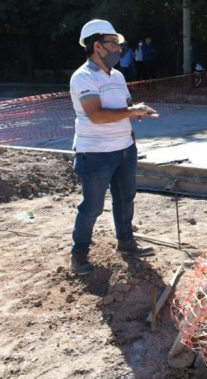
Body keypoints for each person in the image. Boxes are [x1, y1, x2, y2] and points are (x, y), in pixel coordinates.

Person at [69, 19, 159, 275]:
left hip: (124, 149)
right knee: (92, 206)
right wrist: (131, 111)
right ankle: (79, 254)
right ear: (97, 46)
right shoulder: (83, 77)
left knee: (125, 199)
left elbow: (125, 106)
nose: (119, 49)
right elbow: (97, 115)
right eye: (114, 44)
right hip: (95, 154)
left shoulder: (118, 75)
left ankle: (126, 242)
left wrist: (138, 110)